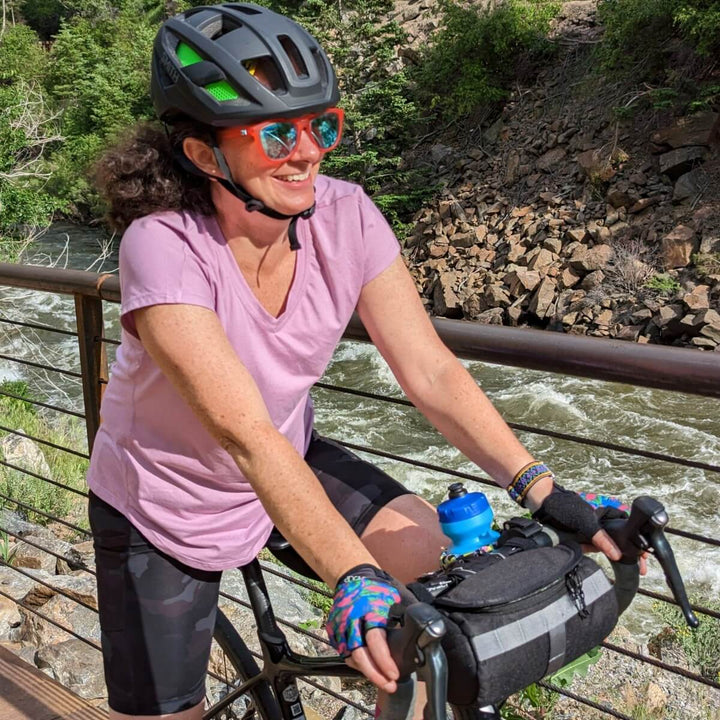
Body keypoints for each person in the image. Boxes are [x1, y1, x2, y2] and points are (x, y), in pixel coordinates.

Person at [88, 5, 637, 719]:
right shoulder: (164, 245)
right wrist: (352, 572)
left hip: (287, 457)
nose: (307, 153)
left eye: (321, 126)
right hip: (164, 499)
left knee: (429, 583)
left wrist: (540, 488)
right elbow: (241, 431)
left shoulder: (346, 215)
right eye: (276, 134)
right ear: (204, 154)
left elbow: (430, 371)